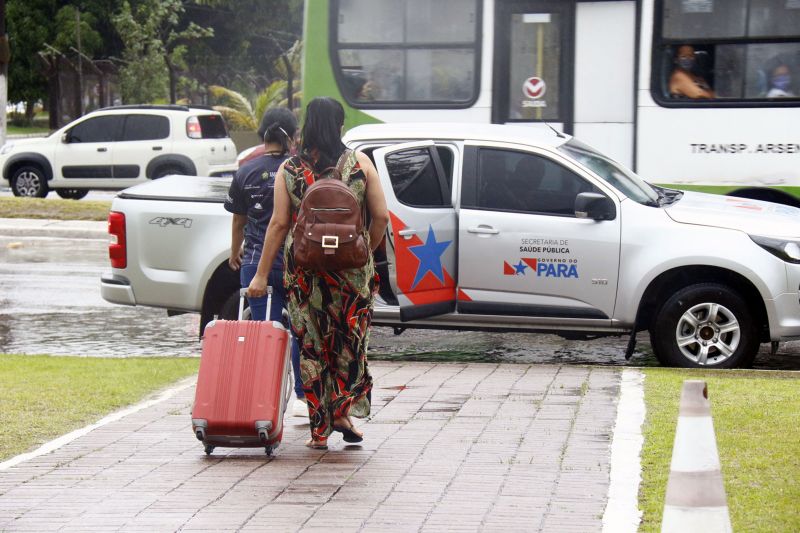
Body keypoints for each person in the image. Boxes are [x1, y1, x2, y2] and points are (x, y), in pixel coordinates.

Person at [247, 97, 389, 450]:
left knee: (312, 346)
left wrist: (261, 275)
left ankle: (319, 432)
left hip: (305, 274)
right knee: (348, 344)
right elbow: (382, 217)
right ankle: (343, 411)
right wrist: (363, 255)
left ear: (306, 126)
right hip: (351, 276)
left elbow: (279, 224)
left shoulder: (289, 169)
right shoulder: (360, 164)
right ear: (340, 126)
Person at [224, 107, 307, 418]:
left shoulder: (246, 170)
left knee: (265, 332)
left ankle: (263, 399)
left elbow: (238, 221)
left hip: (257, 264)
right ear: (290, 136)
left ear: (264, 133)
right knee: (299, 329)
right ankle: (301, 398)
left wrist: (236, 251)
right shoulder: (298, 171)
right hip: (294, 263)